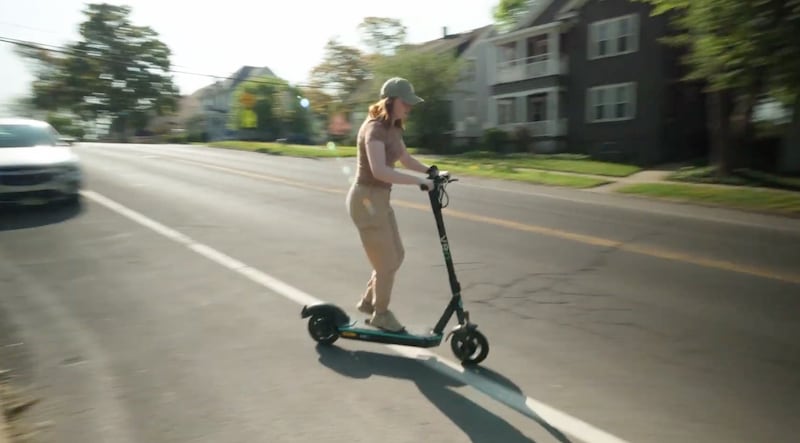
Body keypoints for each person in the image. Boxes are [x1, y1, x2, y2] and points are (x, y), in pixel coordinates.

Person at [346, 77, 440, 333]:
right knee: (386, 263)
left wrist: (431, 172)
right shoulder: (374, 129)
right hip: (366, 199)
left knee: (396, 256)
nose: (409, 106)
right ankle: (381, 314)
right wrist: (419, 182)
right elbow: (379, 171)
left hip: (379, 201)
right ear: (391, 101)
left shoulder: (393, 128)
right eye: (406, 102)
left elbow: (405, 159)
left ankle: (368, 302)